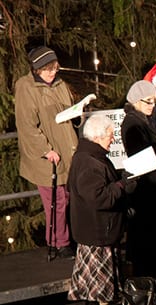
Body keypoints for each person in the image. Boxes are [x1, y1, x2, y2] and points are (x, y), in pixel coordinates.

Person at [14, 46, 78, 259]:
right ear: (36, 69)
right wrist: (46, 150)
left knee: (68, 197)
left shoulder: (60, 84)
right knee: (56, 201)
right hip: (47, 155)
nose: (52, 73)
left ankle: (68, 236)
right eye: (47, 69)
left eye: (54, 68)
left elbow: (66, 112)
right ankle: (59, 242)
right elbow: (27, 126)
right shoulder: (26, 87)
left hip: (67, 149)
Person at [67, 115, 136, 305]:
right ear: (96, 137)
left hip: (96, 233)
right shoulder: (90, 164)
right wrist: (121, 186)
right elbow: (99, 198)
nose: (112, 139)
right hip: (98, 235)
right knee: (102, 294)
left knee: (96, 292)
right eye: (109, 135)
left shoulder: (88, 157)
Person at [120, 80, 156, 278]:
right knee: (145, 237)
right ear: (136, 101)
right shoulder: (132, 122)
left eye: (154, 102)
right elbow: (141, 154)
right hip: (145, 185)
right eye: (148, 102)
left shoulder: (143, 119)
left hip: (151, 183)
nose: (152, 106)